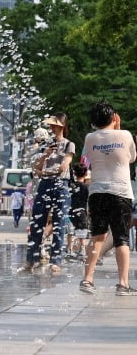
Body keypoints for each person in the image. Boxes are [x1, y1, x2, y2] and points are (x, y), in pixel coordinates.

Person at [79, 102, 137, 295]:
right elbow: (131, 158)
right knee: (121, 238)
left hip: (97, 192)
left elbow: (91, 157)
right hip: (120, 192)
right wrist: (118, 130)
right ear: (114, 118)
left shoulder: (89, 138)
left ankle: (87, 279)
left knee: (97, 236)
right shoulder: (126, 135)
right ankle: (122, 284)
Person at [20, 113, 75, 275]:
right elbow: (35, 166)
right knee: (37, 222)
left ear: (62, 127)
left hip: (61, 185)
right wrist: (45, 156)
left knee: (59, 224)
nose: (52, 128)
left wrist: (44, 171)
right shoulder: (46, 145)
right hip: (44, 185)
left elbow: (63, 166)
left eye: (55, 125)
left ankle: (55, 261)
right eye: (51, 125)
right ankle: (31, 260)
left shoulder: (68, 145)